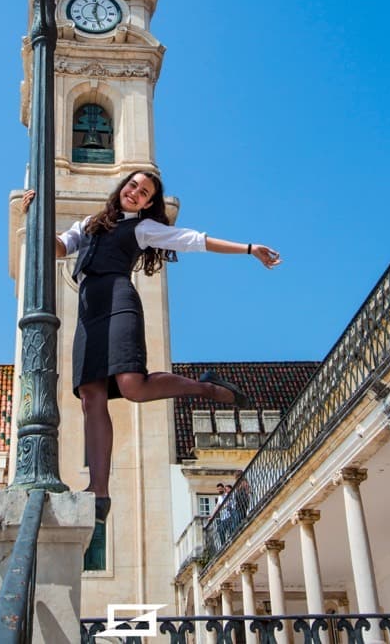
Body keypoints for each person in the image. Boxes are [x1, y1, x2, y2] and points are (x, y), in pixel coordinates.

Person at [22, 170, 281, 522]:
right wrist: (34, 216)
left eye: (144, 193)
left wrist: (249, 249)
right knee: (90, 397)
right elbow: (58, 247)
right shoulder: (89, 224)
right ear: (123, 187)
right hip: (88, 311)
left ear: (147, 203)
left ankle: (207, 387)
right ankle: (99, 492)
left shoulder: (142, 228)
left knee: (132, 386)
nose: (136, 193)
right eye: (133, 186)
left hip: (118, 301)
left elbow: (194, 240)